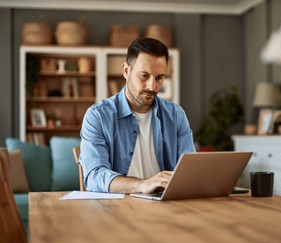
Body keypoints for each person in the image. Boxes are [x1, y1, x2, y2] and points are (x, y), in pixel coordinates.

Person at [80, 37, 195, 193]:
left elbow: (189, 171)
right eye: (144, 76)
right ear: (126, 71)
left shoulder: (176, 115)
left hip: (166, 206)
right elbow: (94, 177)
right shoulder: (98, 116)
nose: (152, 86)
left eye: (159, 77)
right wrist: (142, 185)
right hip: (118, 207)